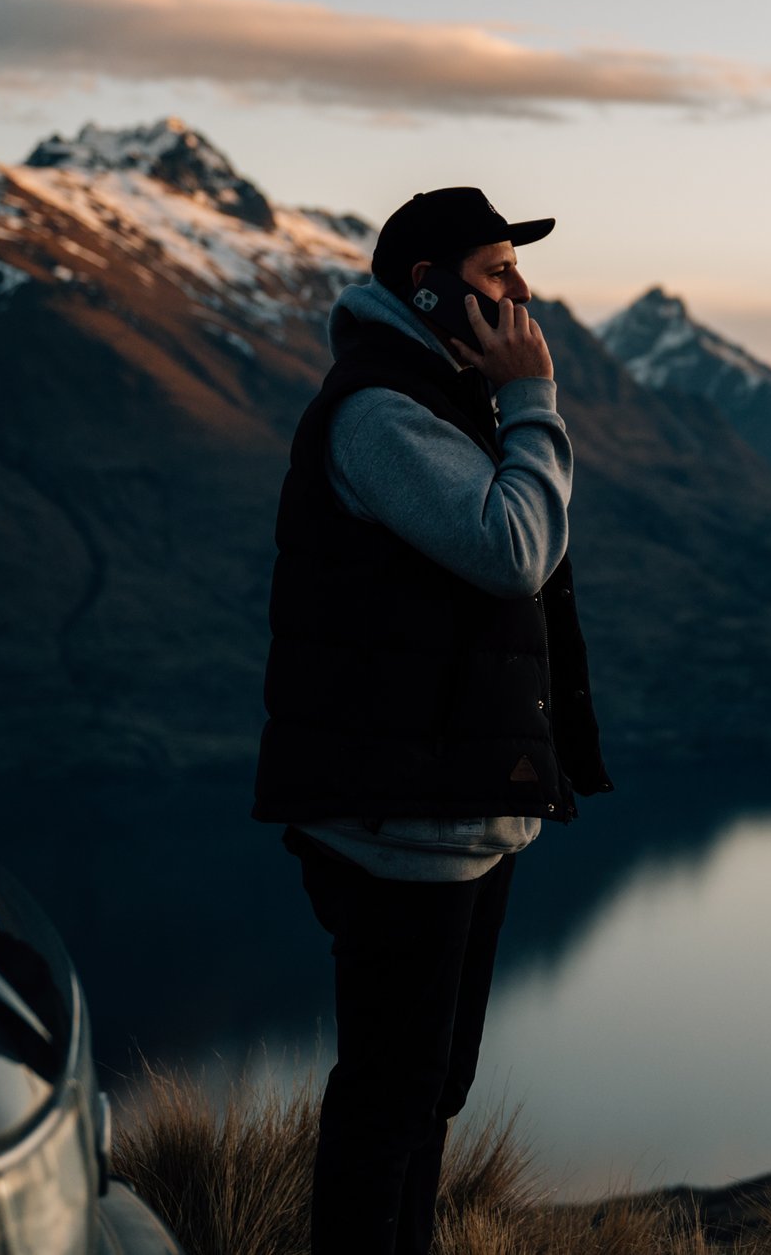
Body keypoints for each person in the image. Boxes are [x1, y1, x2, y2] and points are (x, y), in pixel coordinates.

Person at [251, 186, 610, 1255]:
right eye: (499, 272)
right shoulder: (383, 412)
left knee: (426, 1091)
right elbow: (512, 548)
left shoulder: (440, 394)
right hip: (402, 822)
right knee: (391, 1094)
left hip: (453, 813)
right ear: (427, 287)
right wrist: (535, 400)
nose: (522, 291)